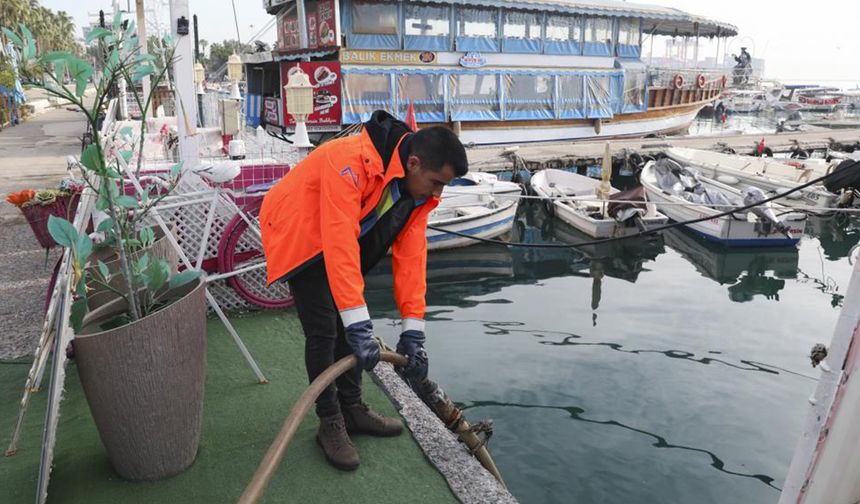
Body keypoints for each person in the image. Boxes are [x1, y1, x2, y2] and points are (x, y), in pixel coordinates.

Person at [260, 110, 468, 471]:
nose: (438, 193)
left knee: (348, 322)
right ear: (414, 163)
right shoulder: (347, 160)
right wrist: (359, 325)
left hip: (338, 236)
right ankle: (330, 421)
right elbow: (337, 241)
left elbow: (412, 259)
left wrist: (413, 334)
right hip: (299, 230)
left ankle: (352, 409)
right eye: (437, 182)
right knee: (325, 328)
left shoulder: (416, 191)